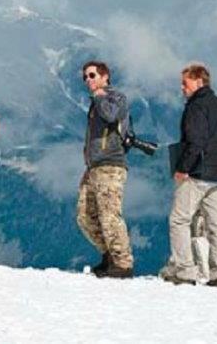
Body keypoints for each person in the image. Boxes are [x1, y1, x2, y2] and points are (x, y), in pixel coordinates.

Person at [164, 63, 217, 287]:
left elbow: (196, 142)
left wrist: (183, 168)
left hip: (198, 172)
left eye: (185, 83)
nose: (182, 88)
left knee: (179, 219)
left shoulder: (196, 107)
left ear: (198, 81)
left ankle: (185, 271)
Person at [76, 61, 134, 278]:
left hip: (111, 165)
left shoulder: (115, 98)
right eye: (85, 77)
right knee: (85, 215)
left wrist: (100, 96)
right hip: (94, 167)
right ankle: (108, 253)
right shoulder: (95, 103)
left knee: (109, 215)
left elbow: (111, 116)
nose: (88, 80)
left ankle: (123, 262)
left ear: (104, 76)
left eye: (92, 75)